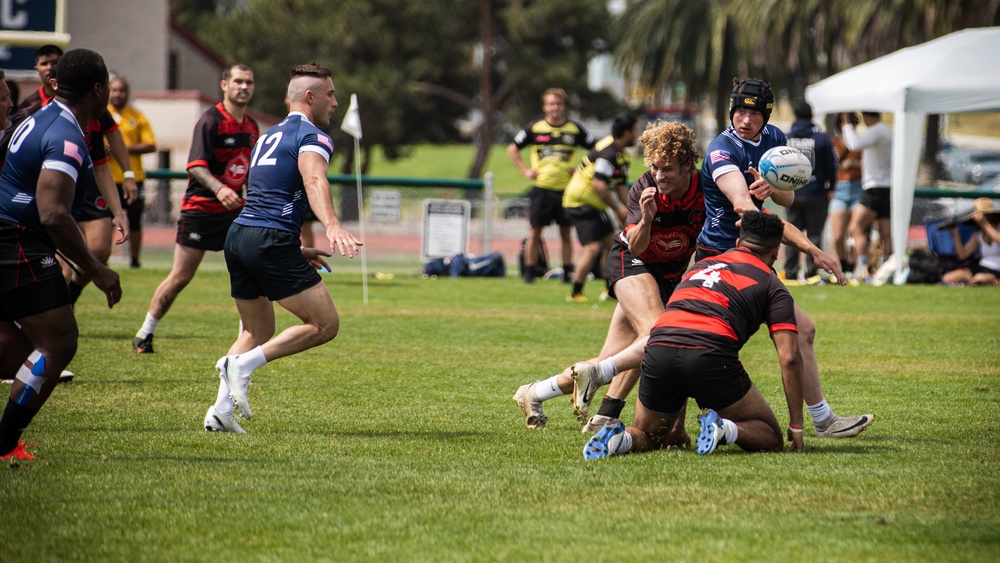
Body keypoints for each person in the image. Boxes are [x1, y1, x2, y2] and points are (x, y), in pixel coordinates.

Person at [696, 78, 873, 438]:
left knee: (801, 332)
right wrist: (813, 250)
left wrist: (772, 186)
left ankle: (822, 420)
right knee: (708, 344)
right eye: (740, 111)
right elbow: (746, 210)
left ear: (766, 116)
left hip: (755, 259)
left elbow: (787, 200)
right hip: (721, 259)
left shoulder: (775, 139)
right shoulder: (721, 150)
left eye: (754, 113)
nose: (745, 120)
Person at [513, 121, 704, 434]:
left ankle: (534, 393)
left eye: (667, 168)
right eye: (655, 167)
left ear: (687, 165)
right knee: (657, 336)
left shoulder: (706, 189)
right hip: (633, 262)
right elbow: (639, 246)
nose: (659, 175)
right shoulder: (644, 189)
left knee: (614, 357)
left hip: (669, 276)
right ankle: (607, 412)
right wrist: (646, 218)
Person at [203, 63, 361, 433]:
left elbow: (264, 196)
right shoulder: (314, 136)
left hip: (240, 236)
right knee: (324, 324)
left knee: (254, 331)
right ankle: (241, 366)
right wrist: (333, 225)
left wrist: (292, 246)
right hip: (268, 239)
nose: (335, 102)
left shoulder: (266, 136)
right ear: (311, 97)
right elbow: (313, 177)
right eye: (331, 94)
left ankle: (220, 412)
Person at [583, 211, 805, 459]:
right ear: (776, 252)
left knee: (649, 436)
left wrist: (676, 428)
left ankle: (620, 439)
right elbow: (790, 358)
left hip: (658, 348)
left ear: (739, 242)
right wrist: (796, 425)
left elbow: (680, 331)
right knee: (770, 437)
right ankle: (725, 429)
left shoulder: (699, 268)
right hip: (709, 353)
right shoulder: (772, 285)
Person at [0, 49, 123, 460]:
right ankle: (3, 445)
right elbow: (52, 213)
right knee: (58, 342)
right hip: (16, 241)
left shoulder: (41, 117)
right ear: (99, 89)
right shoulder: (66, 136)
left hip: (12, 235)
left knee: (15, 347)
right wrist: (96, 269)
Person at [132, 64, 259, 354]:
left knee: (250, 272)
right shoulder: (210, 121)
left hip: (234, 212)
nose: (244, 87)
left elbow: (248, 170)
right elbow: (195, 166)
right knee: (180, 277)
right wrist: (220, 188)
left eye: (249, 82)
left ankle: (245, 340)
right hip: (201, 210)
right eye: (238, 81)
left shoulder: (251, 126)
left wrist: (253, 202)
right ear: (224, 85)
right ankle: (144, 333)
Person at [507, 88, 596, 284]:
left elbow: (596, 150)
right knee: (535, 231)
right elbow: (512, 148)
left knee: (566, 232)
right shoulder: (535, 128)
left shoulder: (574, 129)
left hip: (566, 189)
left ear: (563, 106)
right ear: (544, 107)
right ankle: (529, 273)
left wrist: (581, 169)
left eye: (558, 104)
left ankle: (566, 273)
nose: (555, 107)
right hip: (542, 188)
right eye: (551, 104)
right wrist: (525, 171)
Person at [562, 113, 637, 301]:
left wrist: (630, 211)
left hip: (594, 204)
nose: (637, 135)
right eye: (635, 131)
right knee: (593, 248)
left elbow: (620, 186)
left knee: (612, 245)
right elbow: (599, 185)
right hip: (580, 202)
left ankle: (610, 291)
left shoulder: (621, 156)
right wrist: (617, 209)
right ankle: (575, 293)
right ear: (627, 133)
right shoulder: (609, 153)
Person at [783, 100, 838, 283]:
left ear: (795, 116)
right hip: (816, 192)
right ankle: (811, 273)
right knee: (814, 234)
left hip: (791, 193)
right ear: (811, 116)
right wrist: (831, 187)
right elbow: (831, 165)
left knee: (791, 233)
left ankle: (790, 272)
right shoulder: (821, 138)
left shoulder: (787, 137)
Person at [108, 75, 157, 269]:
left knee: (135, 221)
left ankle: (135, 260)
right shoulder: (102, 115)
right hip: (109, 179)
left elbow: (151, 144)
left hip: (133, 179)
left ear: (127, 93)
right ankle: (102, 256)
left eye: (122, 90)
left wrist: (121, 148)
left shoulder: (137, 117)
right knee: (105, 220)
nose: (118, 94)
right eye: (114, 90)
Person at [842, 111, 892, 281]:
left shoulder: (876, 130)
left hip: (874, 188)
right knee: (885, 231)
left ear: (865, 115)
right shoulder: (886, 131)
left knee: (855, 227)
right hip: (887, 187)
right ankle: (885, 270)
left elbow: (854, 145)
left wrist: (846, 124)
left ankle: (863, 268)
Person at [829, 112, 864, 275]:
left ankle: (857, 265)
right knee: (838, 235)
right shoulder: (833, 144)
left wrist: (855, 163)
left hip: (858, 187)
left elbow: (871, 165)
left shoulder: (860, 144)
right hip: (839, 190)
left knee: (856, 230)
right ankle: (844, 265)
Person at [941, 198, 1000, 286]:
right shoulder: (979, 234)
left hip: (997, 269)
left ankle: (991, 280)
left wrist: (984, 223)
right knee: (948, 278)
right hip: (982, 266)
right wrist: (956, 234)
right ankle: (973, 281)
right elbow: (962, 255)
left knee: (980, 278)